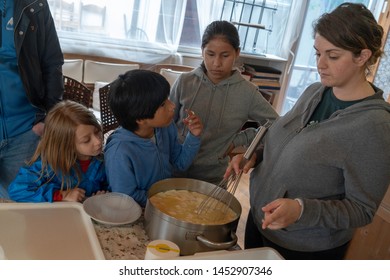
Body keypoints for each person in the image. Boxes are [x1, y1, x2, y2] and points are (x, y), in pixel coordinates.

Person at [226, 3, 390, 260]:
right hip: (261, 225)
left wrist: (302, 210)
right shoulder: (315, 91)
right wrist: (255, 154)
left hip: (303, 249)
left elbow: (362, 210)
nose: (321, 64)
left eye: (333, 56)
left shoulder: (375, 126)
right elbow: (286, 137)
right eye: (317, 53)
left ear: (362, 57)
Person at [169, 20, 278, 185]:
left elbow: (276, 125)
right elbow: (165, 123)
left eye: (225, 55)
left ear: (237, 53)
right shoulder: (185, 82)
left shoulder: (247, 92)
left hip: (213, 179)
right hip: (171, 171)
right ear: (202, 52)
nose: (216, 63)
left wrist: (238, 140)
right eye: (210, 54)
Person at [104, 69, 203, 207]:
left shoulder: (165, 127)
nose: (172, 106)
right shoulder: (119, 152)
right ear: (140, 118)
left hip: (161, 204)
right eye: (163, 104)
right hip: (134, 212)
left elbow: (180, 163)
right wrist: (163, 200)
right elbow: (124, 196)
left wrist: (193, 136)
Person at [0, 0, 64, 197]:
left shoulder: (35, 5)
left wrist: (49, 117)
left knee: (21, 206)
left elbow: (52, 63)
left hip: (25, 130)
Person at [8, 101, 107, 202]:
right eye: (86, 140)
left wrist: (104, 195)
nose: (98, 141)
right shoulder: (48, 165)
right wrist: (61, 195)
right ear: (66, 144)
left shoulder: (103, 160)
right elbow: (17, 190)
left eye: (97, 131)